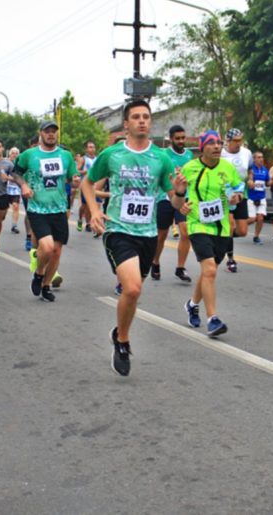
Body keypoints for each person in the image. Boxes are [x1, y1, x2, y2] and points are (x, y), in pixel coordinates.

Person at [82, 99, 186, 376]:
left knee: (134, 290)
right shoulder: (112, 155)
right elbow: (87, 182)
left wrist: (179, 192)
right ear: (126, 124)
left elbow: (173, 203)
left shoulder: (161, 158)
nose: (142, 121)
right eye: (136, 117)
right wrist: (93, 211)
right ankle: (124, 342)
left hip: (148, 234)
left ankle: (119, 332)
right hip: (118, 230)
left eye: (146, 117)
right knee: (132, 289)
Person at [179, 130, 243, 339]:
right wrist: (181, 206)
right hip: (198, 225)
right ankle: (213, 319)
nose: (217, 146)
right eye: (212, 143)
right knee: (210, 270)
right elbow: (175, 193)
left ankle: (192, 304)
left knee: (209, 271)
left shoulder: (227, 167)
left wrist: (238, 196)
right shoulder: (190, 168)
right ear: (202, 147)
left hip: (221, 227)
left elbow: (239, 186)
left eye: (219, 143)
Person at [14, 120, 77, 302]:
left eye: (53, 131)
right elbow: (16, 173)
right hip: (37, 208)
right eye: (47, 131)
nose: (51, 134)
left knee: (56, 251)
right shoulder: (29, 155)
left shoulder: (65, 155)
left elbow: (72, 178)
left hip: (58, 208)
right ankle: (39, 273)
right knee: (47, 246)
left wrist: (75, 181)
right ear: (40, 133)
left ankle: (46, 285)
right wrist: (24, 185)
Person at [152, 125, 194, 282]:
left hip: (184, 197)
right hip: (165, 197)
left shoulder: (190, 155)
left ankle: (180, 268)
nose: (181, 141)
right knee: (161, 235)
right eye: (177, 138)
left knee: (185, 231)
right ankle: (155, 262)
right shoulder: (163, 154)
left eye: (183, 138)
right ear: (171, 139)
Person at [220, 128, 251, 272]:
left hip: (241, 195)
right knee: (230, 225)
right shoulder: (221, 154)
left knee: (242, 231)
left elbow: (249, 170)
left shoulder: (247, 153)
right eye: (236, 141)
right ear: (228, 141)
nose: (239, 144)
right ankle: (231, 260)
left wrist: (250, 179)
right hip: (226, 195)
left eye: (241, 140)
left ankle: (222, 237)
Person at [247, 151, 269, 245]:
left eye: (262, 157)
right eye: (259, 157)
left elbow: (268, 183)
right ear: (254, 159)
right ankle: (237, 226)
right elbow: (249, 180)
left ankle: (256, 237)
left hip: (262, 198)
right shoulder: (251, 170)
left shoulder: (265, 170)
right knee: (252, 219)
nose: (261, 159)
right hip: (251, 197)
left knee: (260, 218)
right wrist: (250, 182)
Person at [76, 140, 98, 232]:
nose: (92, 149)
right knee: (85, 205)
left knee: (95, 204)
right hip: (85, 185)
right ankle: (80, 219)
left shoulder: (98, 159)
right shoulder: (83, 159)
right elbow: (76, 171)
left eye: (93, 147)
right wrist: (84, 172)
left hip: (96, 185)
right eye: (90, 147)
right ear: (86, 149)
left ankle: (90, 223)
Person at [4, 147, 23, 235]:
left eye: (16, 153)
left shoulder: (20, 163)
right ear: (9, 153)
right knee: (4, 209)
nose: (14, 154)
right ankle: (0, 220)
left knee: (15, 206)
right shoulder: (5, 162)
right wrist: (9, 178)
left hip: (16, 189)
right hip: (5, 188)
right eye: (13, 153)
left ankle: (14, 225)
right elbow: (1, 174)